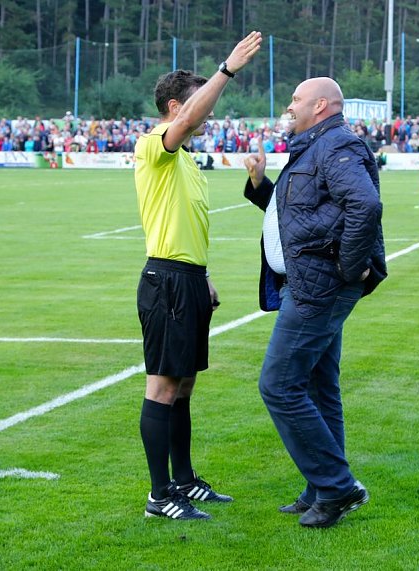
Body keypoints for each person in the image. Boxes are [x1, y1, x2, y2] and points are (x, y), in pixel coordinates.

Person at [242, 77, 387, 529]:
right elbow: (299, 213)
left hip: (317, 288)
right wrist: (260, 183)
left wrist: (347, 268)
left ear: (320, 105)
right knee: (318, 388)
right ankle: (319, 486)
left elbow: (365, 205)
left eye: (296, 99)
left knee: (279, 385)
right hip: (308, 283)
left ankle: (337, 486)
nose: (290, 105)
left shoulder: (336, 145)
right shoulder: (313, 146)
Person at [134, 30, 263, 521]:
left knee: (183, 385)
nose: (207, 117)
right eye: (195, 108)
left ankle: (184, 482)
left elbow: (186, 227)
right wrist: (225, 70)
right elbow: (190, 118)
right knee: (162, 387)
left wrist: (201, 275)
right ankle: (159, 495)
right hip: (164, 281)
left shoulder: (188, 162)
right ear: (173, 107)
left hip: (187, 281)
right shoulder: (155, 146)